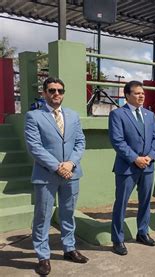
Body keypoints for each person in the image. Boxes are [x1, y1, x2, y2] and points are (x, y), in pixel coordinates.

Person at [24, 77, 87, 276]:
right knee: (43, 216)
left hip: (71, 173)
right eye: (51, 90)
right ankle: (43, 256)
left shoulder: (73, 115)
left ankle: (69, 248)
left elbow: (80, 142)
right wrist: (57, 167)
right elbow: (35, 147)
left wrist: (70, 163)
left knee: (68, 213)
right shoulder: (33, 116)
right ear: (44, 93)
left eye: (60, 90)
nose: (56, 94)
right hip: (46, 175)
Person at [109, 80, 155, 256]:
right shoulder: (118, 114)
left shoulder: (149, 115)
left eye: (143, 93)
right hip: (127, 167)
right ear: (127, 95)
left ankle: (142, 232)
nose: (141, 96)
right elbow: (118, 141)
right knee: (121, 204)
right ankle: (117, 239)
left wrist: (150, 157)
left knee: (145, 202)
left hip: (147, 166)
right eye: (137, 93)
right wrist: (135, 158)